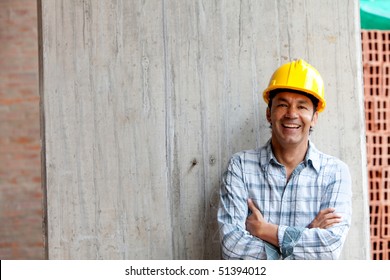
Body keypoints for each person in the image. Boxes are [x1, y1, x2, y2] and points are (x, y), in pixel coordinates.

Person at [217, 59, 352, 260]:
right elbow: (232, 249)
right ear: (268, 114)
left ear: (314, 117)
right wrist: (307, 233)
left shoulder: (335, 173)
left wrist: (265, 231)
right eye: (282, 105)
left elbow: (329, 250)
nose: (291, 114)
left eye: (302, 106)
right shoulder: (240, 167)